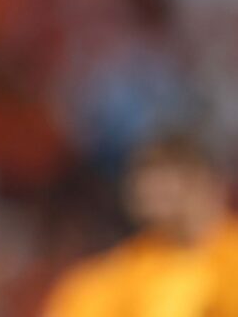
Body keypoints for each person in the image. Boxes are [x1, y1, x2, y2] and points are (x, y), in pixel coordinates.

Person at [43, 133, 238, 317]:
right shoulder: (126, 268)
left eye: (164, 177)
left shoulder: (229, 253)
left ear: (204, 180)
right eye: (145, 180)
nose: (148, 190)